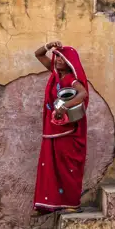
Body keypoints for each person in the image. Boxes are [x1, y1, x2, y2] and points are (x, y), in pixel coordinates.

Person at [32, 42, 89, 214]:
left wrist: (64, 106)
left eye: (62, 58)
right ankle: (50, 203)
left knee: (67, 167)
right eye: (56, 57)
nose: (57, 61)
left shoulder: (70, 79)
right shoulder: (56, 74)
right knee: (51, 167)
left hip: (68, 130)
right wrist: (48, 46)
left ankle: (72, 203)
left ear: (70, 62)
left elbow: (83, 93)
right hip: (53, 129)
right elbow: (38, 54)